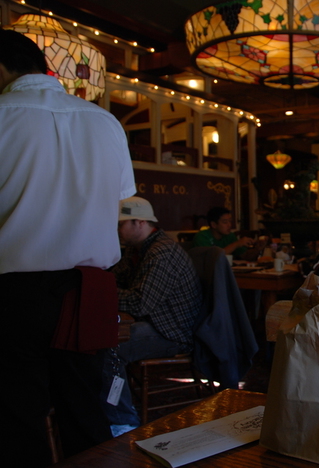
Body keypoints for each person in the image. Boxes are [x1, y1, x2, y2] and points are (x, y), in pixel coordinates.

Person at [0, 30, 135, 466]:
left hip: (13, 293)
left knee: (17, 416)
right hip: (88, 290)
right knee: (85, 408)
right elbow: (117, 201)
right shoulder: (105, 122)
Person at [102, 196, 203, 435]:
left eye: (120, 224)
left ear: (139, 223)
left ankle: (122, 422)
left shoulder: (161, 252)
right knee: (102, 338)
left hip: (172, 332)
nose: (116, 230)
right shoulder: (138, 249)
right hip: (156, 323)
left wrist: (101, 294)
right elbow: (117, 279)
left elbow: (139, 303)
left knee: (108, 346)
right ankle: (109, 408)